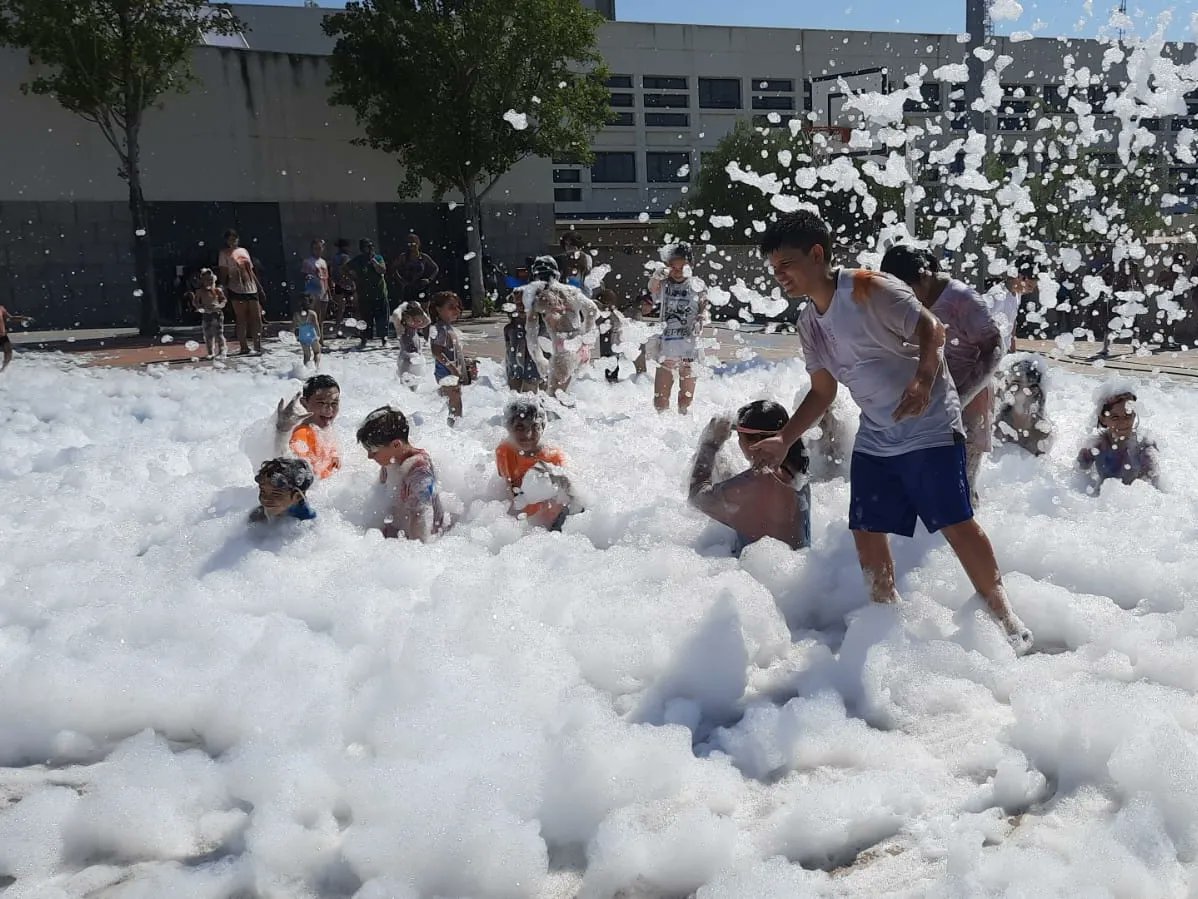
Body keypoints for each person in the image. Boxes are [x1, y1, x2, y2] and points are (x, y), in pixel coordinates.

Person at [749, 210, 1033, 653]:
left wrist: (922, 381)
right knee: (866, 527)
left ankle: (1005, 617)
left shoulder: (868, 287)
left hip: (931, 424)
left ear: (817, 253)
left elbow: (932, 329)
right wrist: (785, 438)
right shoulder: (808, 324)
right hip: (877, 434)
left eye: (786, 264)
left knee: (955, 522)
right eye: (773, 269)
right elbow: (822, 392)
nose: (779, 275)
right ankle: (887, 624)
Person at [881, 245, 1004, 504]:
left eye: (907, 291)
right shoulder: (911, 302)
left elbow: (994, 348)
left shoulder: (961, 299)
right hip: (933, 396)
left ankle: (970, 533)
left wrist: (962, 397)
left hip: (970, 397)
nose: (905, 300)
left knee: (961, 482)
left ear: (925, 276)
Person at [689, 400, 812, 553]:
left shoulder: (757, 481)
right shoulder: (797, 469)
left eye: (740, 436)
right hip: (796, 569)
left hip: (758, 574)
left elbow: (696, 496)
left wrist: (710, 445)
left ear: (754, 444)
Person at [356, 405, 445, 541]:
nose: (369, 456)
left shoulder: (419, 471)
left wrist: (413, 553)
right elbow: (380, 497)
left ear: (396, 445)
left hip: (417, 541)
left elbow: (422, 518)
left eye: (373, 450)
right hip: (395, 534)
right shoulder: (390, 462)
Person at [495, 398, 579, 530]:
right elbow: (510, 488)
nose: (528, 434)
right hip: (521, 522)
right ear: (509, 428)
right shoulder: (504, 451)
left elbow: (572, 496)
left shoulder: (554, 457)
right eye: (520, 427)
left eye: (534, 427)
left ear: (543, 427)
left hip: (548, 523)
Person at [523, 255, 599, 398]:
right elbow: (592, 310)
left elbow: (530, 332)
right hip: (580, 348)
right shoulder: (571, 291)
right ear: (557, 274)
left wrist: (538, 358)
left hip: (562, 351)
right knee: (572, 395)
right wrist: (586, 337)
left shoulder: (539, 297)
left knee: (554, 399)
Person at [648, 242, 708, 414]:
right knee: (660, 398)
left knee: (686, 397)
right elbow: (652, 288)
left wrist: (701, 317)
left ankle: (682, 421)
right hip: (666, 348)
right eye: (674, 267)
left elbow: (704, 304)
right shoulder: (664, 283)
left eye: (683, 267)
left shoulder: (697, 284)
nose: (678, 271)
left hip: (689, 349)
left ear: (691, 266)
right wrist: (656, 275)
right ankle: (662, 426)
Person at [1076, 382, 1161, 492]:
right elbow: (1077, 481)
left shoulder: (1144, 447)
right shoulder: (1095, 447)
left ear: (1134, 414)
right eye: (1115, 417)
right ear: (1103, 419)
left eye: (1127, 415)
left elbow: (1154, 490)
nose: (1123, 423)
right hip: (1101, 501)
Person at [275, 374, 342, 479]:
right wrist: (283, 431)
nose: (329, 409)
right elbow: (289, 467)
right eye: (321, 402)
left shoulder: (322, 428)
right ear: (304, 403)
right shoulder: (302, 433)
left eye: (334, 403)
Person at [430, 291, 476, 425]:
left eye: (458, 307)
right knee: (455, 405)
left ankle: (452, 429)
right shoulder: (440, 329)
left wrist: (465, 362)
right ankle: (453, 431)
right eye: (451, 307)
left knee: (454, 403)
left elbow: (452, 351)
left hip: (449, 373)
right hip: (447, 374)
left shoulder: (447, 328)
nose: (456, 310)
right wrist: (453, 368)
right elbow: (436, 352)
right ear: (438, 309)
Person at [217, 229, 265, 356]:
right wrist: (223, 289)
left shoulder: (244, 251)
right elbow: (223, 273)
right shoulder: (224, 253)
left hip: (251, 287)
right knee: (241, 318)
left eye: (235, 238)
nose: (233, 241)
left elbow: (251, 271)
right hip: (236, 287)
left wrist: (259, 288)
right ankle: (244, 346)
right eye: (230, 239)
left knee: (257, 317)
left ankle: (257, 345)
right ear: (226, 240)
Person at [994, 356, 1054, 456]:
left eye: (1016, 384)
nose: (1010, 388)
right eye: (1008, 383)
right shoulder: (997, 426)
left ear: (1034, 391)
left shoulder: (1043, 432)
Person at [985, 253, 1038, 355]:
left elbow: (1012, 322)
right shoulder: (997, 296)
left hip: (1001, 355)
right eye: (1030, 286)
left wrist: (1013, 350)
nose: (1031, 291)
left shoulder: (1017, 295)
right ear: (1020, 277)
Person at [347, 238, 390, 349]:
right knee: (366, 319)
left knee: (382, 318)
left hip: (379, 293)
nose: (370, 249)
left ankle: (384, 339)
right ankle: (364, 339)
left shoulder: (378, 258)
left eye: (371, 247)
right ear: (362, 249)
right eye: (367, 247)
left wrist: (375, 263)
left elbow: (383, 270)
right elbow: (345, 269)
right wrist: (352, 277)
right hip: (364, 294)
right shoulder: (358, 260)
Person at [249, 458, 317, 523]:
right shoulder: (258, 515)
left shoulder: (306, 521)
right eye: (263, 491)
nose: (266, 499)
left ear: (298, 496)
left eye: (276, 494)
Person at [187, 268, 228, 360]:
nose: (209, 282)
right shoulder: (200, 291)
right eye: (206, 280)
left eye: (210, 280)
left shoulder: (217, 290)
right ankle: (210, 352)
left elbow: (224, 300)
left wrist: (220, 305)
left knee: (219, 333)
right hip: (206, 314)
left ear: (214, 280)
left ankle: (222, 350)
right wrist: (200, 307)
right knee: (208, 334)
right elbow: (196, 302)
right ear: (202, 281)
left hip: (217, 313)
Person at [503, 300, 543, 393]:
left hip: (533, 371)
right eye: (519, 305)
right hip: (515, 370)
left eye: (525, 306)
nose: (522, 308)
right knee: (514, 392)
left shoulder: (539, 330)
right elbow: (508, 354)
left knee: (530, 392)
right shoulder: (509, 329)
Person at [392, 300, 433, 388]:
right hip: (406, 363)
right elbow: (395, 316)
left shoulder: (413, 328)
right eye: (415, 320)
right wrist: (401, 307)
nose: (418, 323)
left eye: (419, 321)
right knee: (407, 386)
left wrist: (419, 308)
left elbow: (428, 321)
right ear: (406, 317)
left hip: (414, 362)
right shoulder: (402, 330)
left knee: (414, 386)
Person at [391, 233, 440, 304]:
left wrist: (429, 279)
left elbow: (435, 268)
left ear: (418, 243)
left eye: (413, 243)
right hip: (409, 286)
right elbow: (393, 268)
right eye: (409, 244)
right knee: (409, 309)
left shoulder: (424, 257)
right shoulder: (404, 257)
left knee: (424, 308)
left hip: (421, 286)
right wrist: (400, 280)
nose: (412, 246)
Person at [595, 288, 628, 384]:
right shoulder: (604, 314)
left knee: (611, 362)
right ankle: (610, 382)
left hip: (612, 341)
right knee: (609, 361)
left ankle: (611, 382)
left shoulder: (613, 313)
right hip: (608, 340)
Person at [300, 238, 331, 334]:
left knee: (322, 318)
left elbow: (326, 278)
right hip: (314, 291)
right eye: (315, 248)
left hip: (324, 291)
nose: (317, 250)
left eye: (319, 248)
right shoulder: (308, 262)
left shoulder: (323, 262)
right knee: (315, 316)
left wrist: (328, 291)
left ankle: (321, 338)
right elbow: (304, 276)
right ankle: (315, 338)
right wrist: (313, 276)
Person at [330, 238, 356, 336]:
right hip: (346, 284)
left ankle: (337, 329)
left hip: (338, 283)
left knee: (341, 308)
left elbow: (333, 272)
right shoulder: (345, 257)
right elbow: (346, 270)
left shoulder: (335, 257)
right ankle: (356, 330)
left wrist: (337, 281)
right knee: (354, 307)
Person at [0, 305, 34, 372]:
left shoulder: (1, 308)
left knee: (9, 353)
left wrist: (23, 318)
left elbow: (10, 318)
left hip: (2, 336)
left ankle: (2, 371)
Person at [294, 292, 322, 368]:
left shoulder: (296, 315)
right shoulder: (312, 314)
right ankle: (316, 367)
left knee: (306, 355)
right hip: (312, 335)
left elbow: (292, 327)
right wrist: (319, 335)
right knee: (317, 352)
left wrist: (292, 335)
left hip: (302, 336)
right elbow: (316, 325)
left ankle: (305, 370)